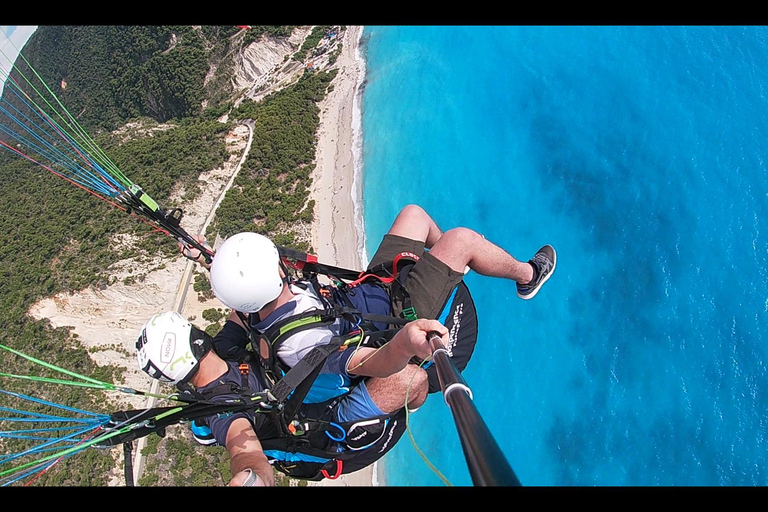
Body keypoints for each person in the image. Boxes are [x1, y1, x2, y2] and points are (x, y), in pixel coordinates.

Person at [136, 310, 450, 486]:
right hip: (327, 432)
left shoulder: (224, 352)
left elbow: (242, 308)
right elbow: (244, 450)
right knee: (413, 379)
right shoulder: (223, 413)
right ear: (196, 338)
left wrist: (209, 259)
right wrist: (250, 479)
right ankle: (410, 398)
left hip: (313, 393)